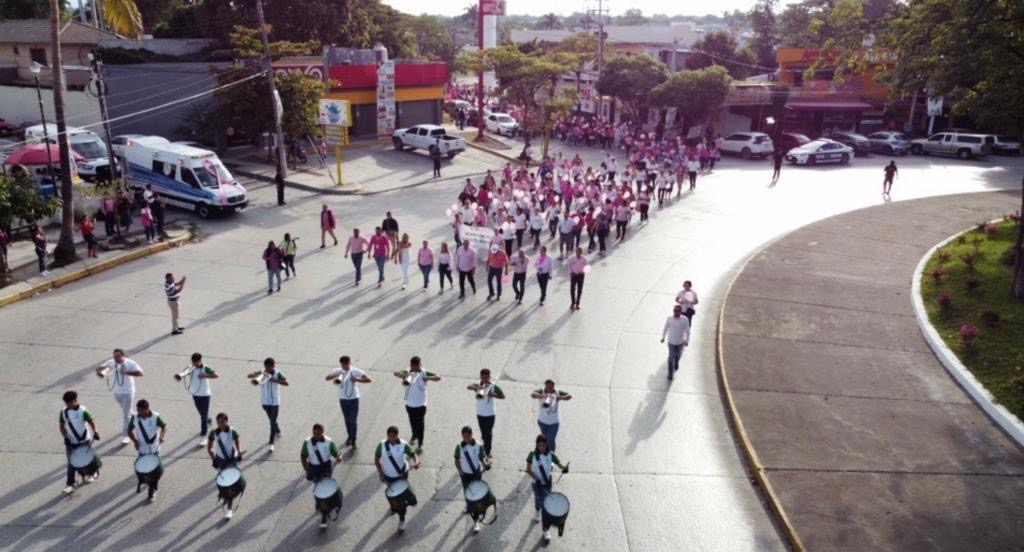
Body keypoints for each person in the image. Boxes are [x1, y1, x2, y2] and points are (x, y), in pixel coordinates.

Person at [374, 426, 421, 532]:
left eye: (393, 436)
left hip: (402, 475)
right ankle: (396, 506)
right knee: (395, 497)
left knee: (400, 500)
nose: (391, 438)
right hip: (389, 478)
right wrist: (381, 474)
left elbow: (414, 455)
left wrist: (416, 462)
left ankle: (402, 520)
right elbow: (376, 460)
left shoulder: (403, 444)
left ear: (397, 435)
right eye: (389, 436)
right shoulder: (381, 445)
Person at [393, 356, 441, 454]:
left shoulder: (424, 372)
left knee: (420, 423)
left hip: (421, 404)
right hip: (409, 403)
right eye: (412, 366)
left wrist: (427, 378)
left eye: (416, 366)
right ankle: (414, 434)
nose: (414, 368)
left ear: (420, 365)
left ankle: (420, 443)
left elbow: (438, 377)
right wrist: (404, 375)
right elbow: (395, 373)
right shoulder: (408, 371)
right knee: (412, 421)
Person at [96, 349, 144, 445]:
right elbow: (98, 370)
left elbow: (141, 373)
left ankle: (126, 436)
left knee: (126, 415)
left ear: (123, 355)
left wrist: (127, 373)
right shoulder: (111, 362)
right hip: (116, 392)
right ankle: (137, 418)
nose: (116, 358)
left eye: (118, 356)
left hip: (128, 392)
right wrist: (103, 368)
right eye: (114, 356)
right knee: (128, 411)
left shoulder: (130, 363)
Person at [526, 434, 568, 543]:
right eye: (539, 445)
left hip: (547, 483)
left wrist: (565, 468)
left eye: (543, 445)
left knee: (546, 506)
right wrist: (537, 479)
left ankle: (545, 530)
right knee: (538, 500)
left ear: (546, 445)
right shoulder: (532, 455)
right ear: (536, 445)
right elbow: (529, 470)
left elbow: (559, 464)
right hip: (536, 483)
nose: (541, 447)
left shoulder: (551, 455)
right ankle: (537, 511)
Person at [302, 423, 343, 528]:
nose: (316, 435)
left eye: (319, 433)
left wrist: (339, 456)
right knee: (318, 489)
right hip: (314, 469)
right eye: (314, 433)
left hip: (326, 468)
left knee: (324, 491)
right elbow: (303, 456)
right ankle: (321, 504)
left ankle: (324, 514)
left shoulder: (329, 442)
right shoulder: (307, 442)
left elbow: (336, 453)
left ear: (323, 432)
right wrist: (307, 471)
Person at [326, 355, 371, 448]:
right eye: (342, 364)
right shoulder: (338, 370)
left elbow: (369, 379)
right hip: (343, 399)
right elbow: (327, 378)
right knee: (347, 420)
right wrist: (336, 375)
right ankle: (349, 436)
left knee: (353, 420)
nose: (344, 366)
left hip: (354, 399)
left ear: (349, 363)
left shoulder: (355, 371)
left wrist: (357, 379)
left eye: (346, 364)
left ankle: (353, 439)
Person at [60, 390, 99, 495]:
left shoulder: (83, 411)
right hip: (71, 442)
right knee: (71, 463)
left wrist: (95, 432)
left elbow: (91, 422)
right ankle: (70, 484)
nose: (68, 405)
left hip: (84, 440)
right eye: (66, 403)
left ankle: (92, 473)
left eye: (70, 403)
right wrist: (66, 437)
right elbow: (61, 426)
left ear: (75, 400)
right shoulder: (63, 412)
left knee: (87, 459)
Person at [127, 399, 166, 501]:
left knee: (153, 471)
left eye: (141, 410)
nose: (139, 412)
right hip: (142, 450)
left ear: (147, 409)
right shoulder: (135, 418)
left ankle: (152, 490)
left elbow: (164, 426)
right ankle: (146, 481)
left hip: (154, 449)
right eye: (138, 410)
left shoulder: (155, 417)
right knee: (143, 469)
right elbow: (129, 430)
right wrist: (135, 441)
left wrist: (162, 436)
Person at [454, 426, 490, 534]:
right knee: (467, 494)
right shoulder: (459, 446)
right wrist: (460, 471)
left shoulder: (478, 446)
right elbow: (456, 460)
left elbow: (482, 458)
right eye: (464, 437)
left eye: (468, 436)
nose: (466, 439)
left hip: (476, 474)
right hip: (465, 475)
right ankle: (468, 505)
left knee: (475, 497)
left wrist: (486, 464)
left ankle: (475, 522)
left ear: (471, 435)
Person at [207, 412, 243, 519]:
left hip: (232, 460)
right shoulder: (213, 433)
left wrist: (239, 451)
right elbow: (209, 447)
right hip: (221, 461)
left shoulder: (232, 430)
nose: (221, 425)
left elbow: (237, 440)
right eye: (218, 422)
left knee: (230, 484)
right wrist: (213, 458)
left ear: (227, 421)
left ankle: (229, 509)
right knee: (226, 484)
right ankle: (225, 497)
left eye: (222, 422)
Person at [251, 357, 288, 453]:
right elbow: (249, 375)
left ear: (273, 366)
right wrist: (257, 375)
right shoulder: (262, 372)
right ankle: (278, 430)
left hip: (275, 402)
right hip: (265, 402)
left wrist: (275, 380)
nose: (268, 369)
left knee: (271, 422)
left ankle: (271, 443)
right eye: (266, 367)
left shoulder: (277, 373)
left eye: (270, 367)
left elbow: (286, 382)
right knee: (272, 420)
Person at [467, 369, 505, 458]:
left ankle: (488, 451)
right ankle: (485, 446)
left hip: (490, 414)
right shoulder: (478, 384)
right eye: (483, 377)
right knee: (483, 432)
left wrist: (493, 395)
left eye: (486, 377)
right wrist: (477, 388)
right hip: (480, 413)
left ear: (489, 377)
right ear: (480, 377)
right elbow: (468, 387)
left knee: (488, 433)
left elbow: (503, 396)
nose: (485, 379)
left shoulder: (493, 386)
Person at [185, 352, 218, 446]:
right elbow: (184, 373)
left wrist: (205, 375)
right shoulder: (191, 367)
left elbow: (216, 375)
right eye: (193, 362)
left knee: (203, 416)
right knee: (202, 413)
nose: (195, 364)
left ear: (200, 360)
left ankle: (204, 436)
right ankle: (208, 420)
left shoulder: (205, 368)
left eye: (196, 362)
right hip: (195, 394)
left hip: (205, 395)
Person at [531, 380, 572, 452]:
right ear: (545, 386)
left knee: (550, 439)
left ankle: (551, 455)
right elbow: (533, 394)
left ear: (553, 386)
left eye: (551, 387)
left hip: (554, 422)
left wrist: (560, 398)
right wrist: (542, 396)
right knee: (545, 440)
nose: (549, 389)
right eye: (547, 387)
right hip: (542, 421)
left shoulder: (557, 392)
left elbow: (569, 396)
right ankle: (544, 453)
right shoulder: (541, 391)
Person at [661, 305, 691, 380]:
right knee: (671, 358)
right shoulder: (669, 319)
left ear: (680, 312)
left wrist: (687, 340)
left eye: (677, 311)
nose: (675, 312)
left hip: (680, 343)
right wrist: (663, 337)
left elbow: (687, 331)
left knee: (677, 356)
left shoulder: (684, 319)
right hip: (671, 342)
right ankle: (670, 374)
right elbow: (665, 328)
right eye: (674, 310)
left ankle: (676, 362)